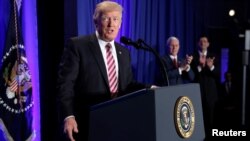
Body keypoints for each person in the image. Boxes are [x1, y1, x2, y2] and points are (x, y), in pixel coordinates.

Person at [56, 1, 153, 140]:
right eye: (106, 18)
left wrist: (150, 88)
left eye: (115, 19)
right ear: (96, 22)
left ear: (120, 24)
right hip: (87, 123)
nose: (111, 24)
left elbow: (127, 85)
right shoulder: (78, 46)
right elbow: (65, 84)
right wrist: (68, 115)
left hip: (118, 123)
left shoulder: (124, 52)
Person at [190, 36, 220, 138]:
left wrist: (210, 66)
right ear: (198, 43)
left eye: (205, 41)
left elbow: (218, 74)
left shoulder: (213, 56)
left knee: (210, 122)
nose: (203, 43)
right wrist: (200, 66)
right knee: (197, 120)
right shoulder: (192, 56)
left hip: (211, 95)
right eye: (201, 41)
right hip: (196, 94)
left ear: (208, 44)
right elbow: (191, 76)